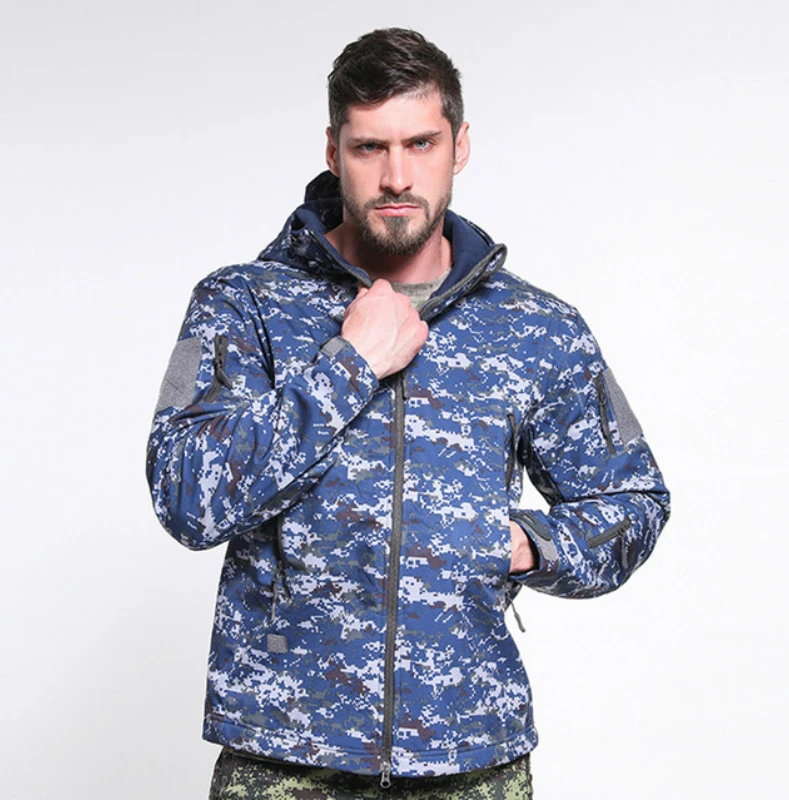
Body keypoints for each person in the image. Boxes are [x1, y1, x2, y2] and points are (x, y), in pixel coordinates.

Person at [147, 27, 670, 799]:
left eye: (420, 143)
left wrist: (523, 543)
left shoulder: (538, 328)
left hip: (471, 755)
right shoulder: (241, 304)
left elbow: (635, 500)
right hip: (284, 757)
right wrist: (349, 364)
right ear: (334, 151)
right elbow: (184, 495)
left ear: (460, 145)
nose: (396, 176)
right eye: (370, 148)